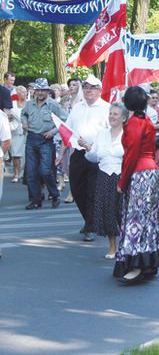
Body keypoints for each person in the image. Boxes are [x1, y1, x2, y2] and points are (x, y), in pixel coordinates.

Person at [114, 86, 159, 284]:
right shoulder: (146, 120)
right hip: (152, 171)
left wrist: (122, 182)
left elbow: (131, 155)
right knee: (149, 219)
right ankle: (148, 260)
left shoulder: (134, 123)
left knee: (134, 218)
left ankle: (134, 263)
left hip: (139, 173)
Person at [65, 75, 110, 241]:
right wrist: (62, 151)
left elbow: (112, 132)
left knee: (92, 191)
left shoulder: (106, 108)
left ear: (99, 90)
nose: (88, 90)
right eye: (85, 87)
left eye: (92, 87)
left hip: (97, 154)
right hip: (78, 153)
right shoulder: (77, 107)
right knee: (77, 189)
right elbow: (67, 129)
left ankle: (90, 225)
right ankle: (89, 220)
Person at [83, 103, 127, 259]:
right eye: (111, 113)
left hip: (122, 176)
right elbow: (94, 157)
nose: (112, 116)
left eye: (116, 114)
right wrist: (88, 148)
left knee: (123, 212)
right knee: (107, 211)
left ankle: (127, 244)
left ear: (124, 118)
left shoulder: (127, 134)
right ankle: (112, 246)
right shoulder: (101, 133)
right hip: (104, 175)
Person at [20, 78, 66, 209]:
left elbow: (63, 121)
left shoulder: (53, 105)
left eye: (42, 90)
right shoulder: (29, 104)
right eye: (37, 90)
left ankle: (55, 194)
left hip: (46, 139)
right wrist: (24, 122)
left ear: (47, 91)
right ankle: (36, 200)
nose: (39, 93)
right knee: (31, 172)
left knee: (45, 170)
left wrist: (53, 131)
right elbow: (23, 114)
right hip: (31, 139)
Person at [9, 85, 27, 182]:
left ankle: (23, 173)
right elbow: (7, 115)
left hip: (27, 132)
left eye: (25, 92)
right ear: (18, 93)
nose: (25, 94)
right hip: (16, 131)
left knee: (26, 154)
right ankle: (16, 173)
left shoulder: (29, 103)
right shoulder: (13, 104)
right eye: (22, 92)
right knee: (16, 154)